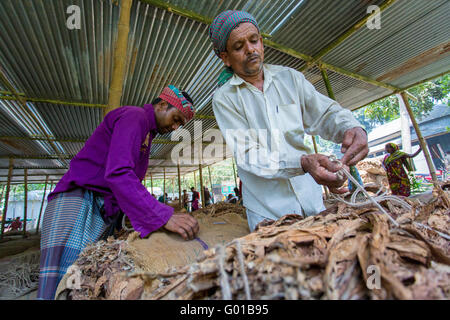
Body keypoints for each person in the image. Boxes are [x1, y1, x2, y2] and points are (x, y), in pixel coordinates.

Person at [209, 11, 368, 231]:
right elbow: (248, 154)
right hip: (269, 212)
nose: (250, 50)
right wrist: (302, 163)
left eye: (254, 41)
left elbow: (323, 113)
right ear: (225, 57)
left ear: (262, 42)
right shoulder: (225, 98)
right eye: (238, 47)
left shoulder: (290, 78)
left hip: (312, 201)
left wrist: (351, 127)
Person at [37, 85, 199, 300]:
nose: (175, 127)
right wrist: (162, 215)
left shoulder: (146, 135)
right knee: (62, 281)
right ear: (161, 104)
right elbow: (119, 173)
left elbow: (127, 179)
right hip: (78, 201)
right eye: (176, 118)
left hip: (96, 206)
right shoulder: (135, 116)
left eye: (180, 124)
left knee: (78, 281)